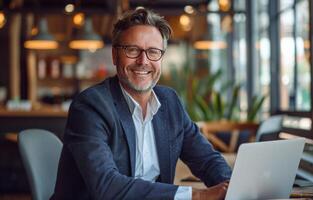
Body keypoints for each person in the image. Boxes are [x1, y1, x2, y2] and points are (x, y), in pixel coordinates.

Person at [51, 8, 231, 200]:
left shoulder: (169, 102)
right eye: (132, 50)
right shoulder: (90, 106)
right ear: (114, 55)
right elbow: (106, 186)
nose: (143, 61)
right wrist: (198, 196)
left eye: (153, 52)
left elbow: (207, 160)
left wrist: (231, 188)